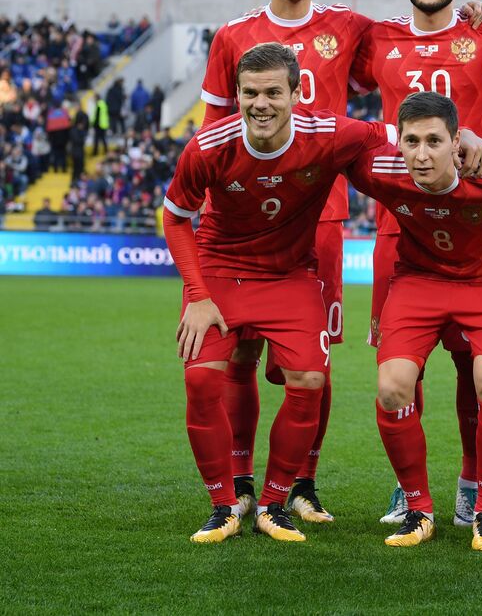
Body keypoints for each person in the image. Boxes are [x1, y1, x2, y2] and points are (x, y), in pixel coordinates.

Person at [163, 43, 413, 543]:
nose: (261, 104)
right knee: (201, 381)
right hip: (221, 271)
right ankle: (223, 506)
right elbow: (175, 218)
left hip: (289, 275)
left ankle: (274, 504)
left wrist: (472, 141)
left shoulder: (330, 133)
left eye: (274, 93)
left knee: (309, 381)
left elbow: (399, 133)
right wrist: (197, 294)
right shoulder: (209, 145)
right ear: (237, 94)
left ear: (297, 94)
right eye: (250, 93)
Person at [199, 0, 374, 526]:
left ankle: (303, 482)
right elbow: (212, 130)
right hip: (245, 222)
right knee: (239, 353)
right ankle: (241, 479)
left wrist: (479, 12)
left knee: (313, 363)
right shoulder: (233, 36)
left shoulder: (349, 28)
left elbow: (416, 44)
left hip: (321, 216)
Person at [351, 0, 482, 530]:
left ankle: (472, 483)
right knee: (400, 367)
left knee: (476, 369)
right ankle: (407, 489)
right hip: (399, 224)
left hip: (474, 221)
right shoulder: (377, 39)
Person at [345, 92, 482, 550]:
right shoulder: (381, 170)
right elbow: (334, 139)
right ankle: (418, 509)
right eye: (411, 141)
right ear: (398, 142)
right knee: (392, 387)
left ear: (456, 142)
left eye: (434, 141)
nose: (421, 155)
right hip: (419, 282)